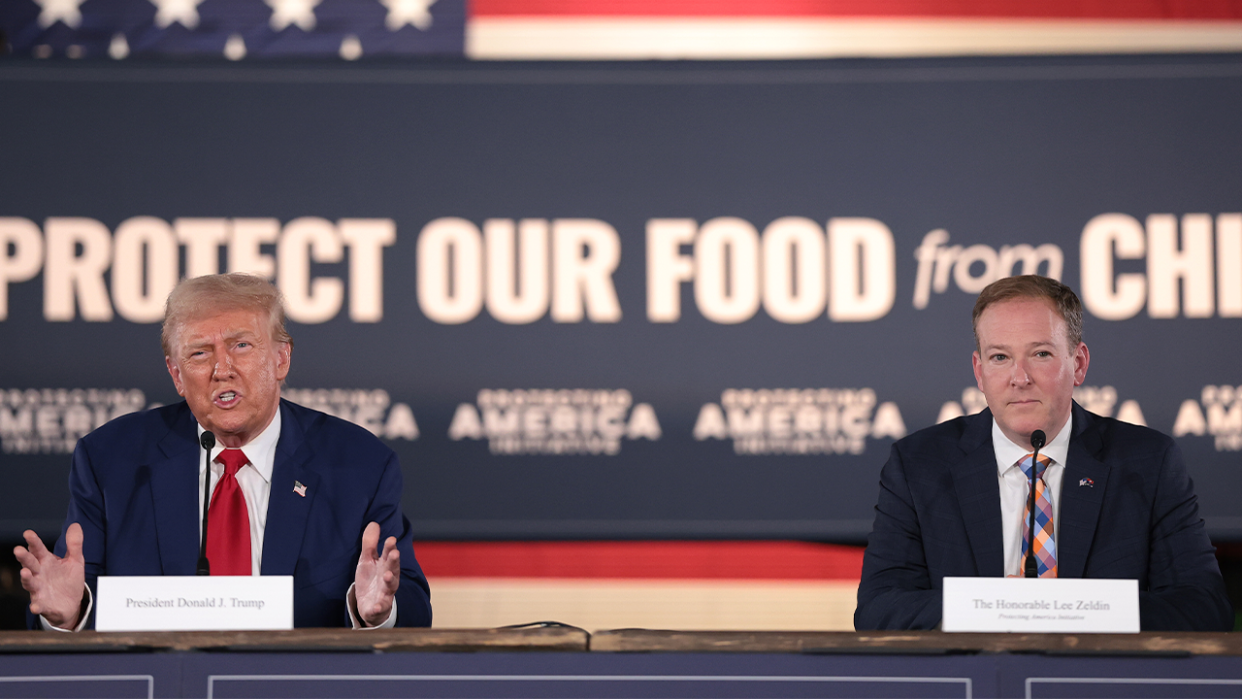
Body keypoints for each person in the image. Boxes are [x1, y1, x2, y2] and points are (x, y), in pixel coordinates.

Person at [14, 273, 432, 630]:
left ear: (281, 358)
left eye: (241, 346)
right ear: (177, 375)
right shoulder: (111, 461)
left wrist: (375, 612)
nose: (222, 369)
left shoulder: (359, 464)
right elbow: (67, 600)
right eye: (200, 353)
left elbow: (411, 605)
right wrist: (71, 614)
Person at [855, 274, 1231, 631]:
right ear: (979, 371)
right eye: (1000, 357)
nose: (1020, 378)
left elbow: (1202, 606)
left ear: (1078, 364)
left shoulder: (1147, 462)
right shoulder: (919, 465)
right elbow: (879, 607)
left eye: (1040, 354)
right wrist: (997, 609)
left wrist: (1069, 611)